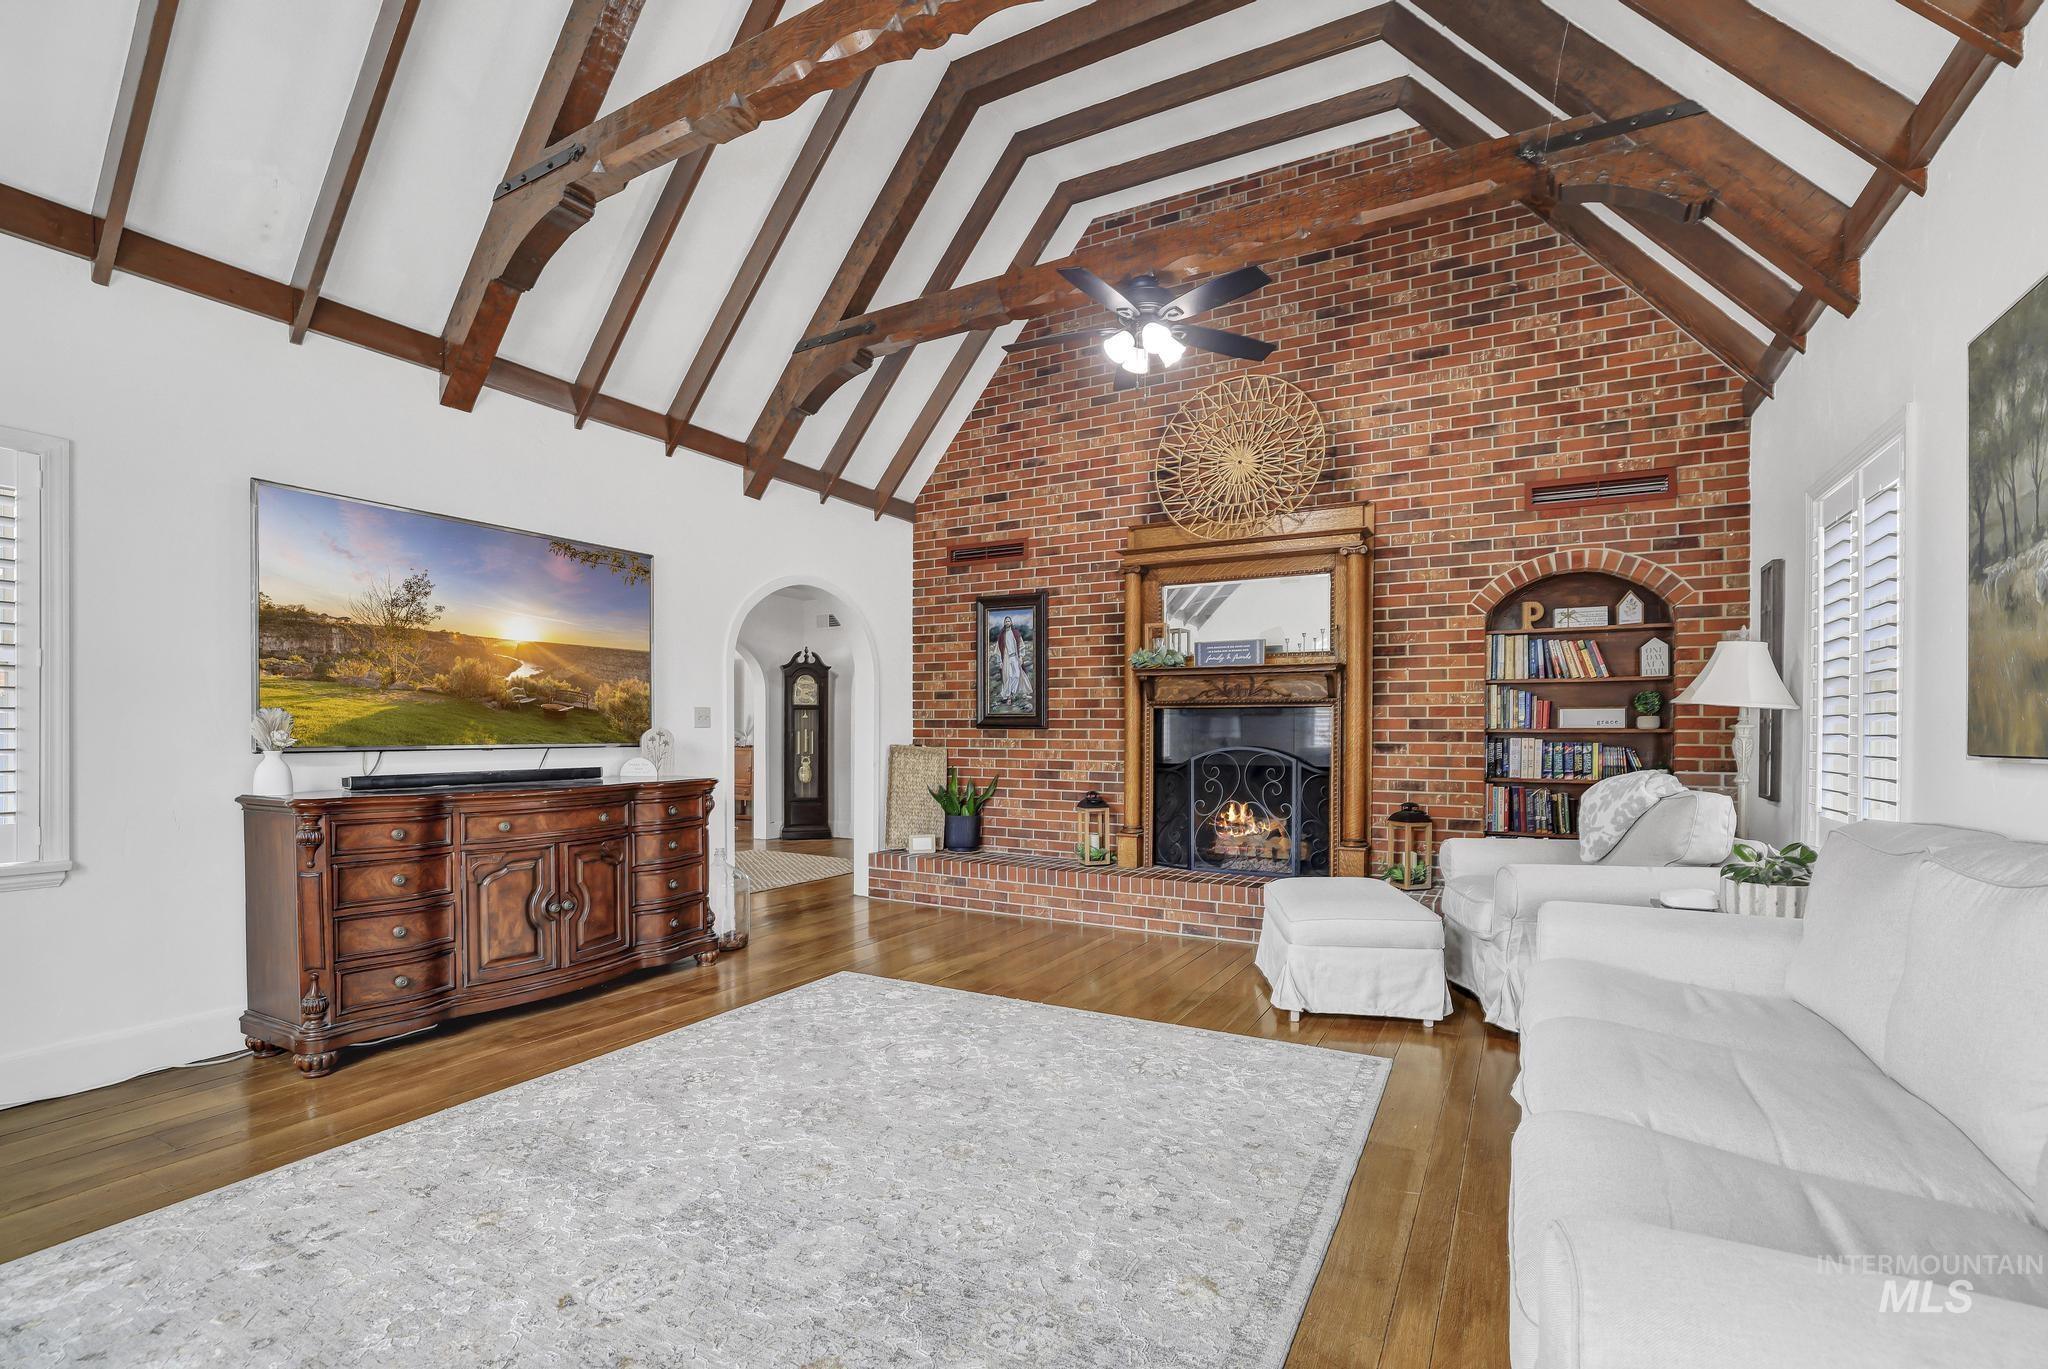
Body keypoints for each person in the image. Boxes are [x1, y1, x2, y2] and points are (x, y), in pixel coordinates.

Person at [997, 616, 1027, 706]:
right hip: (1006, 658)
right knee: (1009, 677)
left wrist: (1021, 657)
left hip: (1015, 657)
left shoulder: (1016, 633)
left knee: (1017, 675)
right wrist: (1000, 661)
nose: (1007, 623)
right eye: (1006, 621)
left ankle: (1013, 692)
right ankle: (1009, 697)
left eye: (1008, 621)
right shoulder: (1002, 635)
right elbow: (998, 650)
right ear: (1004, 623)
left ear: (1011, 622)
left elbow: (1021, 645)